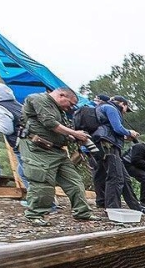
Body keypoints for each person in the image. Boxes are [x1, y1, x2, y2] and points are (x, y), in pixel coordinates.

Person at [18, 87, 98, 226]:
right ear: (62, 95)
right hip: (37, 149)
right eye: (71, 103)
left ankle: (83, 212)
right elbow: (49, 123)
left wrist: (74, 137)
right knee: (42, 182)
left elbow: (61, 130)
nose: (70, 108)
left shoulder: (59, 111)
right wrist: (74, 133)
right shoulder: (38, 99)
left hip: (57, 151)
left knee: (75, 181)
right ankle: (35, 215)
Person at [91, 95, 140, 209]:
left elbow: (108, 129)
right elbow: (117, 128)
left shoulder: (99, 108)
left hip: (99, 145)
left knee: (104, 175)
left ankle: (103, 203)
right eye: (126, 109)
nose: (125, 112)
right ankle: (113, 208)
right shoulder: (111, 108)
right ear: (122, 104)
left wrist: (124, 136)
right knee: (115, 177)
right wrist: (130, 132)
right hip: (108, 146)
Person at [0, 82, 30, 190]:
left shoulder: (0, 107)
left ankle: (42, 202)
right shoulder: (18, 104)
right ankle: (40, 200)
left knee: (27, 174)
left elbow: (6, 129)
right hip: (28, 143)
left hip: (20, 144)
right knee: (23, 172)